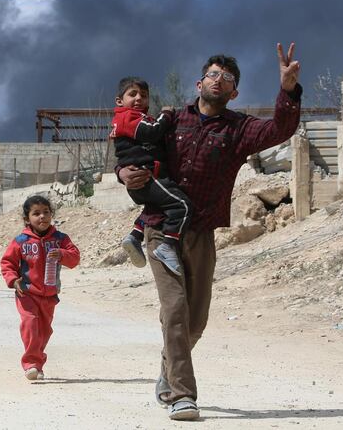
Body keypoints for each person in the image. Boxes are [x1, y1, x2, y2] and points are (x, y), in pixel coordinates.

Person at [119, 43, 302, 421]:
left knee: (196, 320)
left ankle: (169, 369)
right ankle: (183, 395)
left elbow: (281, 128)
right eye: (214, 74)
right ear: (199, 81)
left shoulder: (238, 129)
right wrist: (124, 173)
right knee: (175, 309)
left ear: (234, 93)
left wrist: (287, 90)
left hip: (201, 232)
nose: (219, 81)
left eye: (228, 79)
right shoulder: (171, 121)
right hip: (160, 227)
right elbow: (130, 147)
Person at [111, 76, 192, 275]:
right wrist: (166, 114)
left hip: (145, 179)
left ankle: (135, 236)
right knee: (182, 205)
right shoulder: (126, 117)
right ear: (119, 101)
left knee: (156, 208)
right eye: (133, 94)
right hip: (147, 176)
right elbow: (152, 132)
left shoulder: (135, 117)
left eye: (144, 95)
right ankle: (168, 245)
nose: (139, 98)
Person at [0, 195, 80, 381]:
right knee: (30, 324)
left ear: (51, 215)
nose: (42, 217)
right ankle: (31, 364)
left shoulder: (60, 239)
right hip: (26, 292)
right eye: (36, 213)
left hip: (49, 295)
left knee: (44, 331)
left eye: (46, 212)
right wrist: (13, 280)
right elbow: (7, 262)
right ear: (27, 219)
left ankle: (38, 363)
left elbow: (74, 258)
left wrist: (62, 254)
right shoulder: (21, 241)